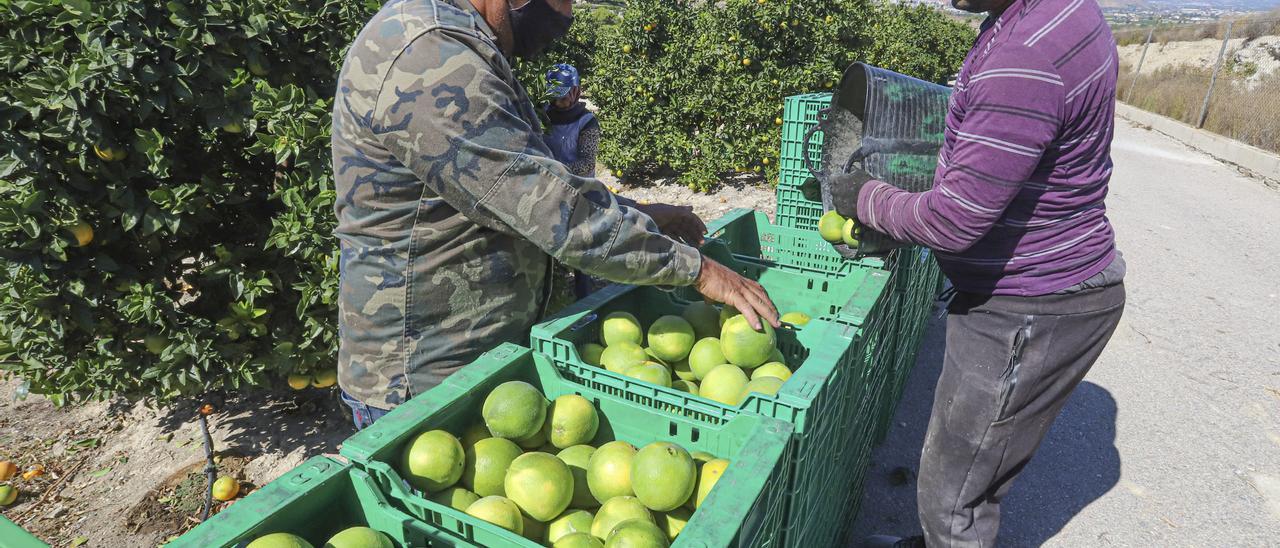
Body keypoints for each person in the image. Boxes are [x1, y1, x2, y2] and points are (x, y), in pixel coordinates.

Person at [331, 0, 779, 429]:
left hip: (469, 362)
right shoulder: (428, 53)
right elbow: (547, 208)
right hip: (421, 378)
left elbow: (521, 176)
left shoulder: (461, 40)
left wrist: (638, 211)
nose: (563, 14)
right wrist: (699, 271)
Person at [831, 1, 1128, 546]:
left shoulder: (1025, 55)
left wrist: (867, 198)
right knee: (969, 465)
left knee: (952, 495)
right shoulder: (1053, 12)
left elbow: (953, 221)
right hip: (1051, 287)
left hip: (1030, 306)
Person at [542, 63, 607, 298]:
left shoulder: (586, 121)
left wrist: (555, 169)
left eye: (563, 98)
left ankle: (584, 300)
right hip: (548, 187)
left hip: (579, 190)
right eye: (555, 98)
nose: (558, 103)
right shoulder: (543, 115)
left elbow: (587, 162)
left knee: (581, 248)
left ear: (576, 92)